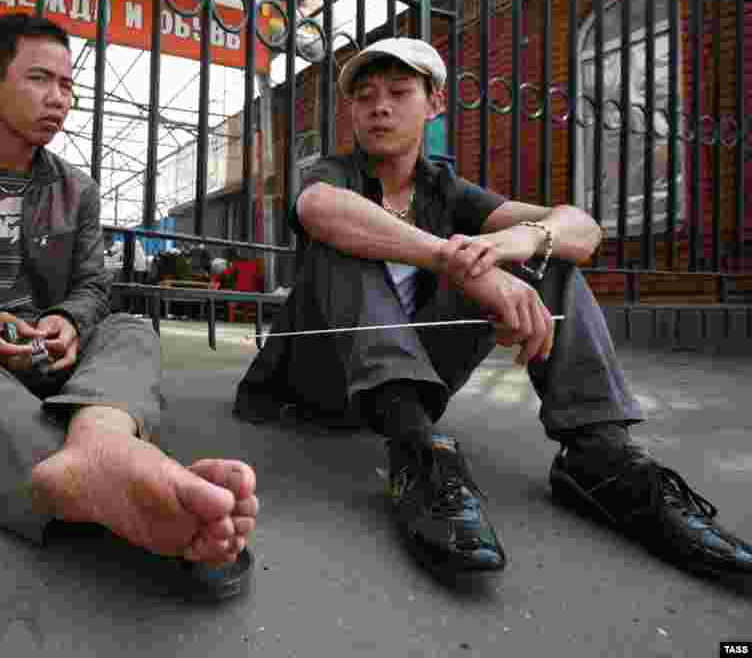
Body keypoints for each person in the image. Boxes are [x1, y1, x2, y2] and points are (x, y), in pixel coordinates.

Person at [234, 36, 751, 580]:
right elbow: (318, 210)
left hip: (420, 377)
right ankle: (417, 455)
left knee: (551, 259)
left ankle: (600, 457)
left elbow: (582, 227)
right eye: (363, 97)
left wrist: (518, 246)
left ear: (434, 103)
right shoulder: (335, 174)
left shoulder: (447, 190)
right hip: (321, 381)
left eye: (398, 91)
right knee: (344, 241)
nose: (379, 106)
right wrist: (461, 265)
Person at [0, 14, 257, 596]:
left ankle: (101, 450)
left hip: (51, 357)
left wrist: (69, 320)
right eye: (40, 79)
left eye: (66, 86)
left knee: (130, 328)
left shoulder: (77, 188)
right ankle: (113, 489)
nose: (58, 99)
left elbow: (92, 286)